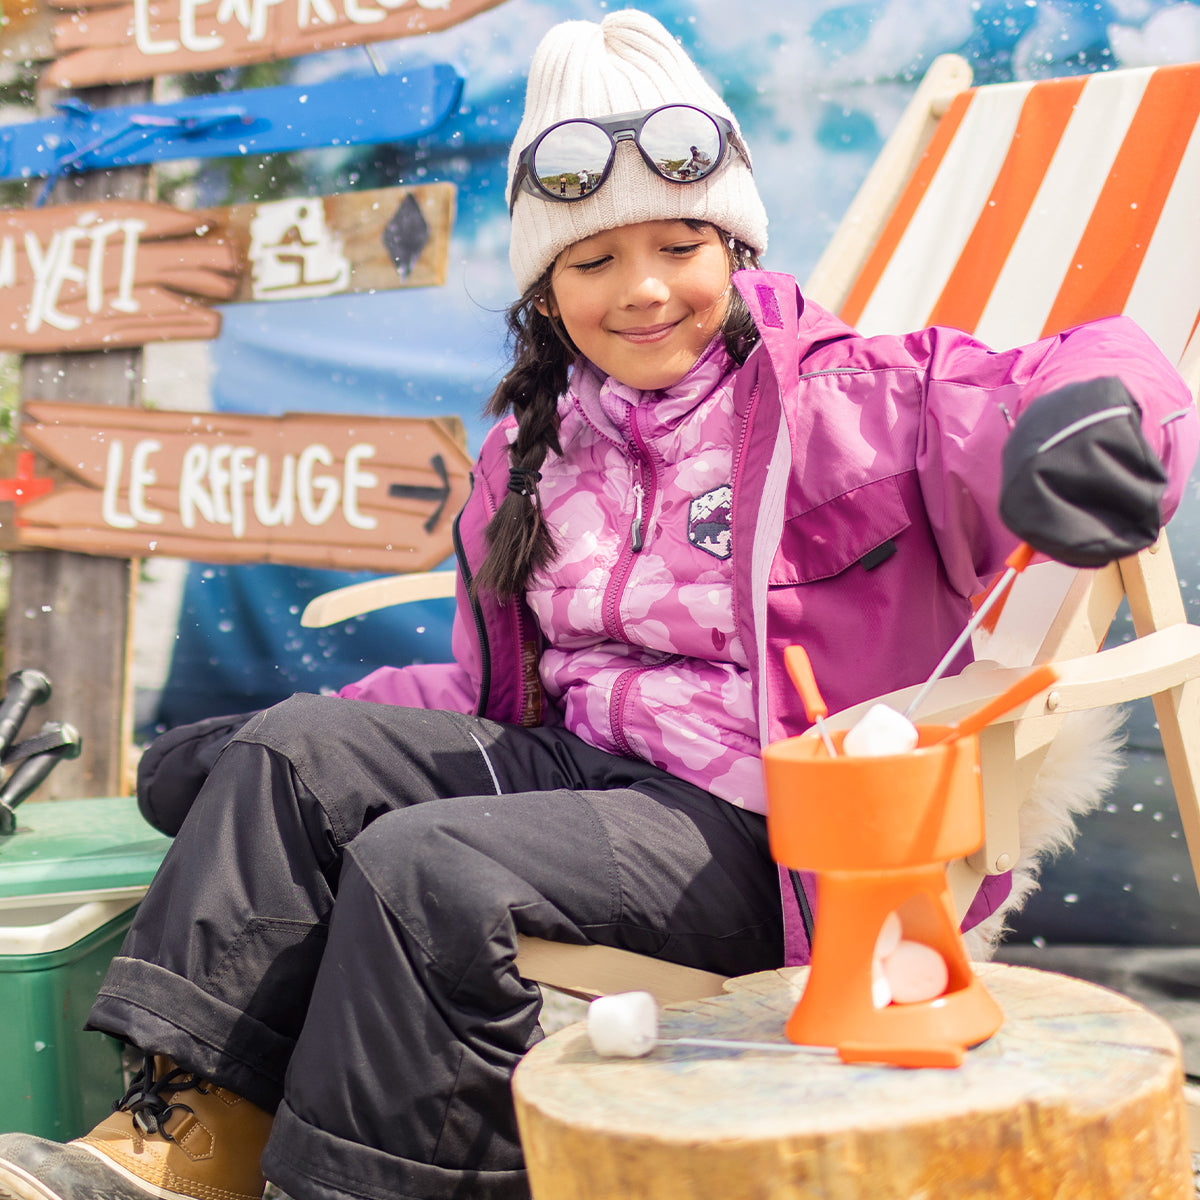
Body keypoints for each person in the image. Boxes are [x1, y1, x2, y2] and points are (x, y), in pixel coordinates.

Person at [1, 10, 1195, 1200]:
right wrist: (282, 741)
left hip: (765, 830)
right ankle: (182, 1150)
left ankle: (361, 1184)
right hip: (583, 779)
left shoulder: (856, 404)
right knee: (292, 756)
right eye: (593, 260)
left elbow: (1089, 368)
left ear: (734, 246)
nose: (644, 292)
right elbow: (488, 698)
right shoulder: (537, 447)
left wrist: (1090, 425)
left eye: (680, 245)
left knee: (431, 869)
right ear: (544, 285)